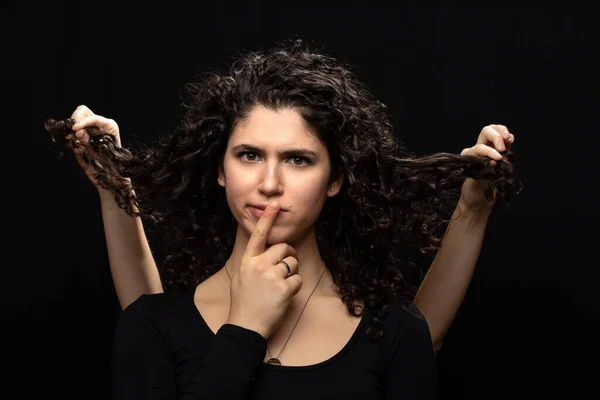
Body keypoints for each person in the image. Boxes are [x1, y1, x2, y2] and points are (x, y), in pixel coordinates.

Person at [45, 40, 518, 399]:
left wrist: (472, 209)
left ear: (334, 179)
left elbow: (426, 335)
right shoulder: (151, 326)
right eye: (249, 155)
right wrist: (245, 330)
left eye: (298, 160)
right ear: (220, 171)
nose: (269, 183)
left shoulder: (395, 332)